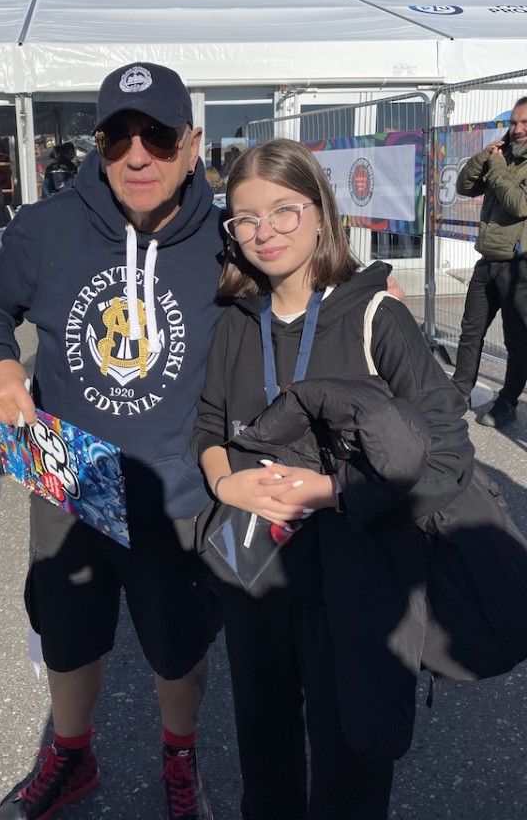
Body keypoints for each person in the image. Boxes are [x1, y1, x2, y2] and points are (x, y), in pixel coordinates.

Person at [0, 62, 224, 820]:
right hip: (68, 474)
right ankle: (71, 755)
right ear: (98, 146)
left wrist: (365, 291)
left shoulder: (227, 237)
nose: (137, 155)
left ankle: (180, 759)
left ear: (192, 143)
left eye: (158, 136)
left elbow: (301, 282)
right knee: (68, 635)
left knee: (178, 644)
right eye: (116, 138)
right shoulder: (48, 227)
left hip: (175, 482)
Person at [191, 138, 474, 820]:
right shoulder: (237, 321)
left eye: (284, 211)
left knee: (351, 762)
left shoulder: (377, 315)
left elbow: (447, 456)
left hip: (357, 581)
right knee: (265, 751)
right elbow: (207, 425)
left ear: (322, 211)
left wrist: (331, 491)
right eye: (246, 218)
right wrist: (226, 484)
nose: (265, 232)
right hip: (255, 573)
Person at [451, 96, 527, 428]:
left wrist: (496, 167)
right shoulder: (502, 156)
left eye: (524, 123)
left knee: (517, 340)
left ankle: (507, 401)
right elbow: (464, 186)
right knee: (470, 332)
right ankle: (459, 393)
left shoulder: (507, 165)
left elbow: (518, 204)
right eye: (513, 123)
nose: (517, 129)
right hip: (488, 260)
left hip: (518, 264)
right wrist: (485, 155)